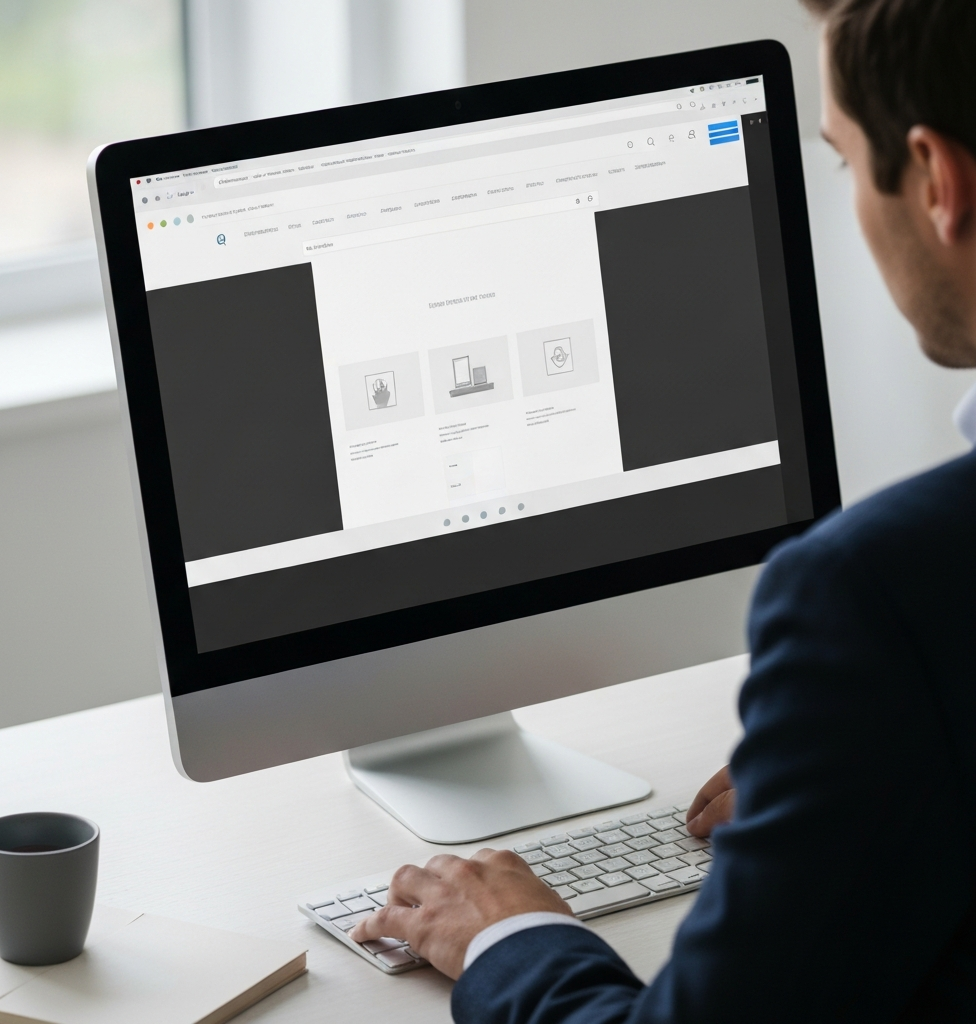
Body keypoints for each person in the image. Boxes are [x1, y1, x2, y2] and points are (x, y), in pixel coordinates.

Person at [353, 0, 976, 1018]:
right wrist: (839, 781)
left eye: (843, 163)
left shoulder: (875, 594)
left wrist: (508, 935)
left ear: (937, 181)